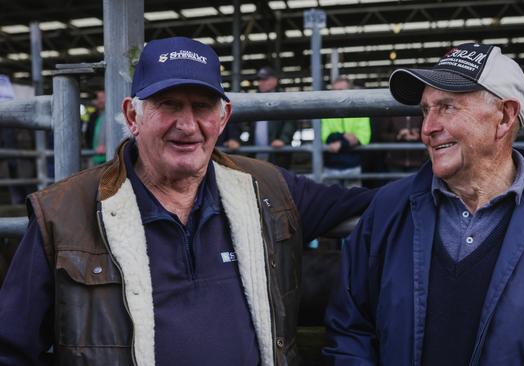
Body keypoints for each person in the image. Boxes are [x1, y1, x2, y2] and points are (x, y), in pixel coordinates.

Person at [0, 36, 374, 366]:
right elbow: (10, 348)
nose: (187, 124)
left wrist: (435, 167)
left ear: (223, 117)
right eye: (169, 104)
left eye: (202, 106)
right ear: (134, 115)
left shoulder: (266, 189)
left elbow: (369, 202)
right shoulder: (63, 213)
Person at [324, 42, 524, 365]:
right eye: (425, 110)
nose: (427, 128)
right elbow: (350, 331)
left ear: (505, 117)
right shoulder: (388, 209)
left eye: (447, 107)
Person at [321, 77, 371, 186]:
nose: (337, 94)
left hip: (352, 166)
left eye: (341, 90)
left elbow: (364, 137)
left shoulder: (360, 110)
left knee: (354, 201)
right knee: (330, 201)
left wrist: (339, 142)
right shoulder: (326, 111)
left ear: (350, 91)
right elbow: (325, 137)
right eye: (334, 91)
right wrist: (345, 137)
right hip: (331, 167)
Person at [249, 66, 296, 169]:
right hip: (256, 154)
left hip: (277, 154)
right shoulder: (253, 100)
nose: (261, 83)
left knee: (277, 180)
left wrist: (283, 139)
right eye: (259, 80)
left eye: (264, 79)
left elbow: (291, 121)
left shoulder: (284, 99)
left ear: (274, 81)